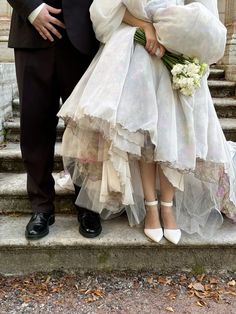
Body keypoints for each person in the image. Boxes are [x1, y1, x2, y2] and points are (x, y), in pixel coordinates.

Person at [58, 0, 236, 244]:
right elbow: (107, 9)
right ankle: (151, 207)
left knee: (173, 132)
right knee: (143, 135)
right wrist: (145, 27)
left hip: (176, 49)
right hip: (139, 50)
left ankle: (167, 207)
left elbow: (203, 13)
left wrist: (180, 33)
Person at [7, 0, 102, 240]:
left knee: (85, 127)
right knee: (35, 126)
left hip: (83, 35)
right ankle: (41, 207)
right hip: (32, 34)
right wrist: (31, 9)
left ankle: (87, 203)